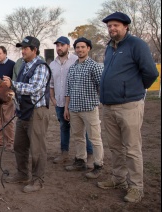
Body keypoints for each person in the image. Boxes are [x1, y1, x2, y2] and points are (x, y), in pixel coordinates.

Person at [97, 12, 159, 203]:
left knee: (132, 149)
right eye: (109, 26)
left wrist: (134, 90)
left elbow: (150, 73)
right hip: (108, 106)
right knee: (115, 147)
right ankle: (118, 179)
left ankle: (136, 187)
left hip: (129, 105)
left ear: (126, 27)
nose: (112, 29)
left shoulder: (136, 45)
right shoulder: (109, 48)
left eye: (115, 25)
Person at [3, 36, 51, 193]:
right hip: (23, 111)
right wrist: (14, 96)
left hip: (37, 112)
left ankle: (38, 180)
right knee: (19, 146)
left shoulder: (41, 67)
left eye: (25, 48)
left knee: (37, 149)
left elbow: (34, 88)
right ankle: (23, 174)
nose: (22, 51)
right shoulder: (23, 65)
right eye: (21, 48)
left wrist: (13, 84)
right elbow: (22, 89)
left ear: (34, 50)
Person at [49, 36, 94, 167]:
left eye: (62, 45)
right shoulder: (52, 64)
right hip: (59, 102)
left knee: (82, 129)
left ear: (68, 46)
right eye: (57, 45)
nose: (59, 48)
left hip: (76, 102)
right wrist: (52, 98)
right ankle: (64, 153)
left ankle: (89, 154)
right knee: (63, 127)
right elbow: (51, 84)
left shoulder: (76, 60)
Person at [63, 37, 104, 179]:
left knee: (95, 138)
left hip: (89, 108)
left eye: (82, 47)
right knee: (78, 137)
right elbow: (68, 90)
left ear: (88, 48)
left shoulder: (94, 66)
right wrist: (66, 108)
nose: (80, 49)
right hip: (74, 108)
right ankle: (80, 160)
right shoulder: (72, 67)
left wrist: (97, 102)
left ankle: (98, 165)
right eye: (77, 47)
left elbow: (101, 86)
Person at [0, 46, 15, 151]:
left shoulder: (12, 65)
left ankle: (10, 142)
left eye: (0, 53)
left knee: (8, 119)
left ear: (5, 53)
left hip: (7, 97)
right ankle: (0, 142)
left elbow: (15, 81)